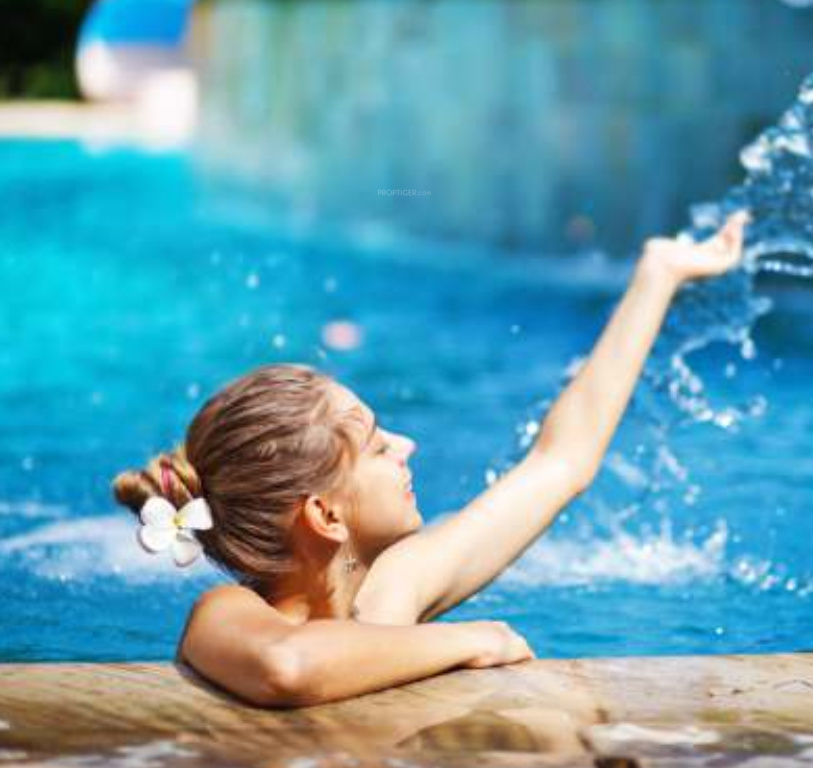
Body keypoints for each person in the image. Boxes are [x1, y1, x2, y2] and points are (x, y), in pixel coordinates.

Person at [113, 211, 750, 708]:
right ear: (325, 515)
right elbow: (287, 667)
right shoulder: (226, 614)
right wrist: (473, 637)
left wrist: (658, 277)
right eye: (378, 446)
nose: (407, 446)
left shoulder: (388, 594)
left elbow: (561, 462)